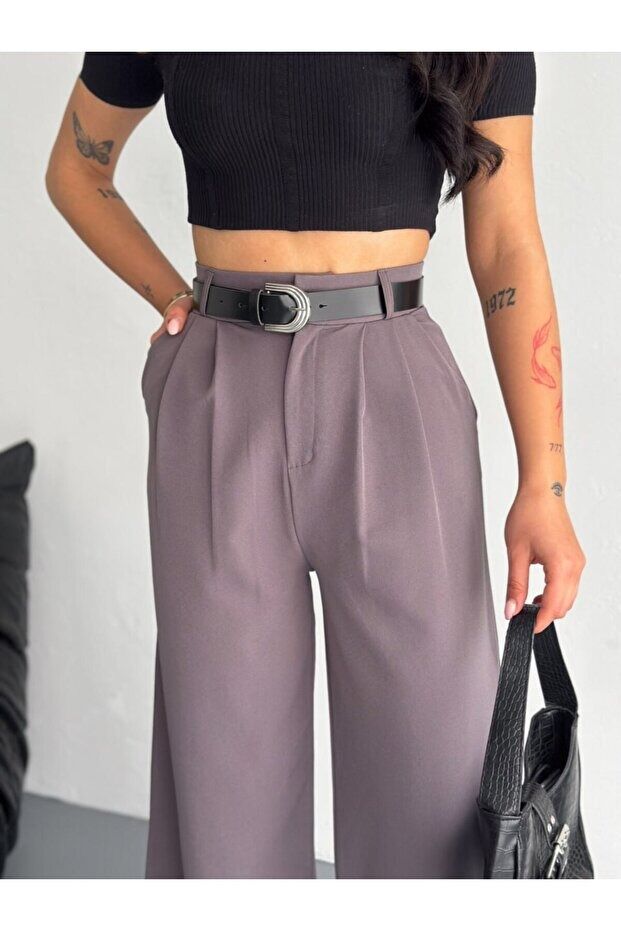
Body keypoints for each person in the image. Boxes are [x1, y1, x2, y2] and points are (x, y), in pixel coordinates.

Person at [45, 51, 586, 879]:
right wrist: (172, 296)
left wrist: (543, 483)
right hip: (218, 388)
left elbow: (507, 243)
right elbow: (76, 170)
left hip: (394, 388)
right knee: (224, 784)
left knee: (432, 786)